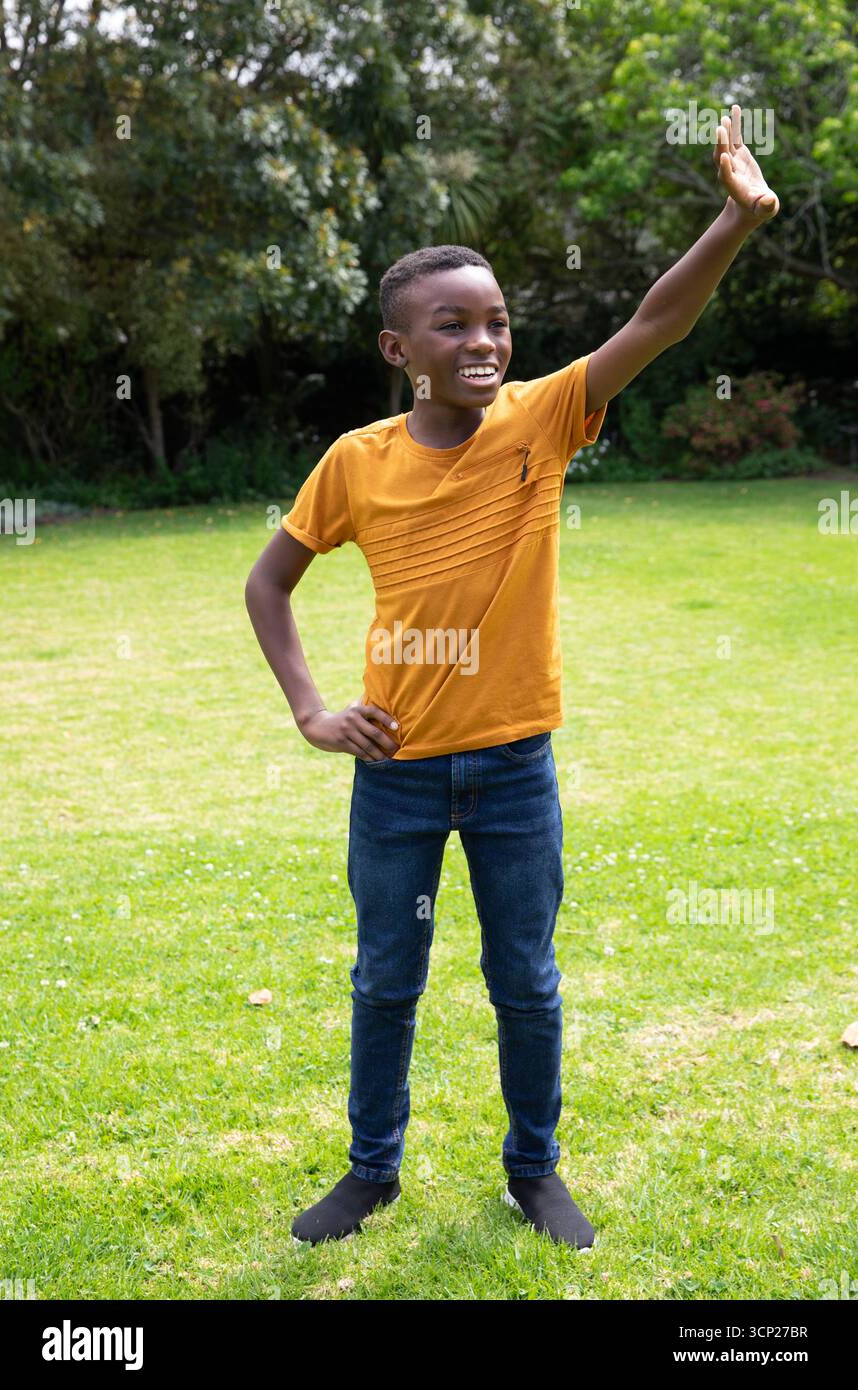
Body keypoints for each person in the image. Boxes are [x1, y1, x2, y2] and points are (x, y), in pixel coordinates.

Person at [244, 107, 779, 1247]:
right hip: (393, 771)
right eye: (452, 326)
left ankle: (533, 1171)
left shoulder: (542, 418)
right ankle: (370, 1172)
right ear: (399, 350)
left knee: (524, 984)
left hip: (513, 766)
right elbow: (267, 584)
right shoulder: (355, 461)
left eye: (495, 322)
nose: (484, 342)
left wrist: (734, 220)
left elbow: (654, 320)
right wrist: (310, 710)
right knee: (385, 980)